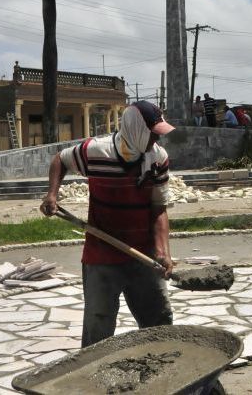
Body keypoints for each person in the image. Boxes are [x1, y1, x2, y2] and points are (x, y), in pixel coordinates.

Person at [40, 101, 175, 347]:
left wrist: (162, 251)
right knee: (98, 326)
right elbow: (60, 159)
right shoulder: (95, 151)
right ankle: (91, 377)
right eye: (153, 133)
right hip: (101, 255)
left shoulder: (158, 158)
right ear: (136, 129)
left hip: (143, 255)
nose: (156, 139)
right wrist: (52, 194)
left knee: (159, 320)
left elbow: (159, 209)